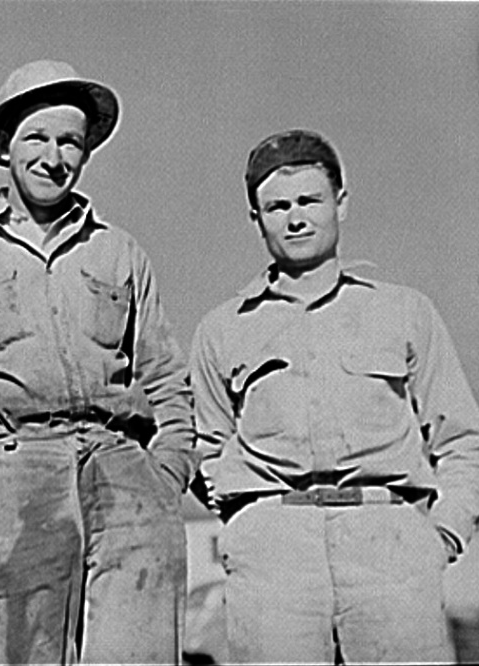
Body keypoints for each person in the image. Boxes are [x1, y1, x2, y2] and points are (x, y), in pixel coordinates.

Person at [0, 60, 196, 664]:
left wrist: (165, 476)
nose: (53, 156)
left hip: (124, 477)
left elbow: (165, 379)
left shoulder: (118, 251)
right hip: (13, 478)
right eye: (37, 137)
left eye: (70, 142)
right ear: (6, 146)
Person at [189, 128, 479, 664]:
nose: (295, 217)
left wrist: (443, 535)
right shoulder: (222, 329)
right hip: (274, 556)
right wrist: (250, 526)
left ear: (340, 203)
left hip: (390, 546)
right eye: (277, 206)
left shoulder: (404, 311)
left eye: (309, 200)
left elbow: (462, 439)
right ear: (256, 219)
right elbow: (205, 443)